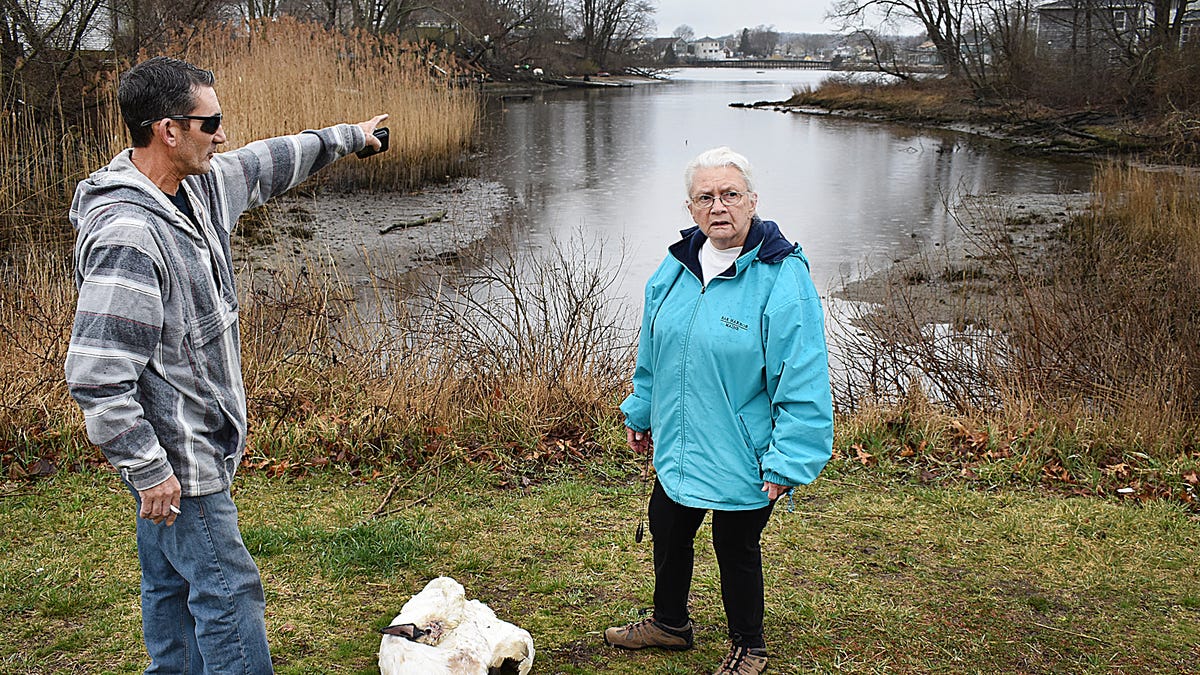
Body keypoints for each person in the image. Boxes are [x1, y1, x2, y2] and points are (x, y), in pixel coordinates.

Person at [64, 56, 387, 673]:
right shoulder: (130, 235)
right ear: (168, 129)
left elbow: (269, 161)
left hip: (188, 451)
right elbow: (98, 374)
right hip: (180, 462)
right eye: (211, 122)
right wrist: (149, 468)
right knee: (228, 592)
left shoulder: (197, 187)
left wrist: (350, 137)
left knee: (170, 586)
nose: (223, 133)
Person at [604, 147, 834, 675]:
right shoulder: (677, 265)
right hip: (682, 441)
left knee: (735, 546)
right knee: (667, 524)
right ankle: (669, 624)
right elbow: (654, 348)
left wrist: (788, 459)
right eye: (705, 197)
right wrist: (641, 409)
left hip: (742, 449)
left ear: (752, 201)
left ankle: (749, 647)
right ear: (691, 208)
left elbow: (801, 376)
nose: (719, 206)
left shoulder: (781, 277)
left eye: (730, 194)